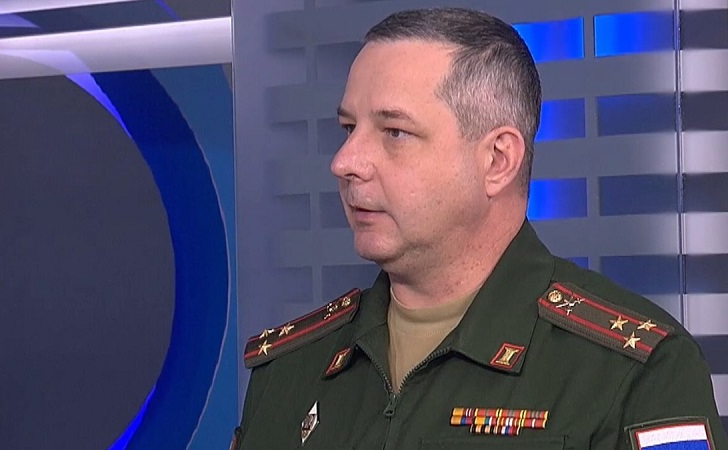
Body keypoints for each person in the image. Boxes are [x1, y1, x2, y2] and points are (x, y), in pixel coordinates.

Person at [233, 7, 728, 450]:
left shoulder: (633, 373)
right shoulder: (288, 370)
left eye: (395, 132)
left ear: (497, 160)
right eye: (349, 128)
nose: (345, 162)